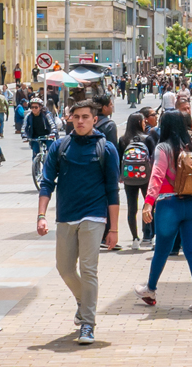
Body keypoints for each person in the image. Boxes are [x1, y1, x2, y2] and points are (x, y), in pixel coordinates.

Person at [35, 100, 122, 345]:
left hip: (94, 215)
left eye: (85, 117)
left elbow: (112, 191)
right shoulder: (59, 147)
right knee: (64, 268)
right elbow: (47, 183)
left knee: (89, 269)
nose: (80, 121)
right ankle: (84, 301)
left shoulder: (106, 148)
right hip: (65, 215)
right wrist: (41, 216)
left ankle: (87, 323)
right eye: (76, 117)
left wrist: (113, 228)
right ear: (70, 119)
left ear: (95, 119)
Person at [136, 110, 192, 314]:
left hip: (169, 205)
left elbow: (157, 176)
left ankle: (150, 290)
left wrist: (148, 203)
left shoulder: (163, 148)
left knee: (161, 250)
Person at [119, 109, 159, 249]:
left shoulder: (123, 140)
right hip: (145, 176)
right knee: (150, 205)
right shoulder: (147, 138)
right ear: (139, 123)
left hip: (129, 178)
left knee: (131, 207)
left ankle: (134, 238)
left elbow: (120, 160)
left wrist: (121, 176)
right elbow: (154, 157)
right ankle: (151, 237)